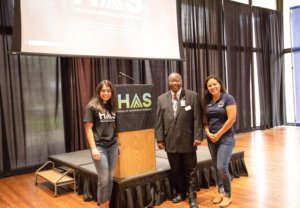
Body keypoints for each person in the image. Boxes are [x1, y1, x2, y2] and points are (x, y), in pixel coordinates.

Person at [155, 72, 203, 208]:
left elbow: (197, 118)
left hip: (188, 140)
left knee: (191, 169)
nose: (175, 83)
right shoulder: (161, 99)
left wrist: (198, 136)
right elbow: (159, 121)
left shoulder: (192, 96)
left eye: (177, 80)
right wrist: (160, 139)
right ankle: (181, 192)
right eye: (172, 81)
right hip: (170, 141)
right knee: (176, 170)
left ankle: (192, 195)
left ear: (181, 81)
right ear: (168, 82)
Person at [84, 80, 120, 208]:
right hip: (99, 146)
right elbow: (88, 128)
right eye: (103, 90)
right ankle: (102, 205)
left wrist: (118, 143)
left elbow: (115, 126)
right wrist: (93, 149)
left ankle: (107, 203)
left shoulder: (113, 105)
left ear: (112, 92)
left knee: (110, 177)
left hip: (113, 145)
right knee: (103, 179)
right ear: (99, 92)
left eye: (108, 91)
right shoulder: (92, 106)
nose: (106, 93)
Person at [203, 75, 237, 207]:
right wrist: (208, 133)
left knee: (221, 167)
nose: (212, 87)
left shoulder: (228, 98)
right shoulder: (207, 100)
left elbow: (231, 119)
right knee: (216, 167)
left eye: (214, 84)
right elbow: (205, 120)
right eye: (209, 85)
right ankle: (221, 192)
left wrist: (218, 133)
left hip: (225, 138)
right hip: (212, 138)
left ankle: (228, 194)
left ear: (220, 84)